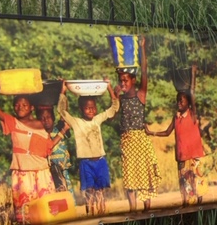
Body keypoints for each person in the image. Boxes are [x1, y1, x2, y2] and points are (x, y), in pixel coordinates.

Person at [0, 84, 69, 224]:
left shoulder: (41, 124)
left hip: (42, 173)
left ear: (32, 107)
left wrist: (62, 132)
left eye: (24, 105)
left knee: (47, 213)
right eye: (17, 105)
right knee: (25, 215)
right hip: (22, 174)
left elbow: (47, 147)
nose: (20, 107)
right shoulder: (13, 122)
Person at [57, 79, 119, 215]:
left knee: (100, 190)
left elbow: (114, 109)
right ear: (81, 109)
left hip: (100, 161)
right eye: (87, 107)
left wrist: (109, 88)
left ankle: (101, 213)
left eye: (93, 107)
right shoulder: (76, 122)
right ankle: (90, 214)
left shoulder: (97, 119)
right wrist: (63, 91)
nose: (91, 110)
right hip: (86, 163)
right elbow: (61, 111)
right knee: (89, 190)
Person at [146, 64, 205, 206]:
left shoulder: (192, 115)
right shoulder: (176, 117)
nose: (178, 103)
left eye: (182, 101)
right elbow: (167, 132)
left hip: (193, 155)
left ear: (188, 103)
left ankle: (200, 204)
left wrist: (193, 74)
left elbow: (192, 91)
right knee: (183, 182)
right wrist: (151, 132)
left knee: (196, 181)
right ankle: (185, 204)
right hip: (181, 156)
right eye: (177, 101)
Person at [117, 35, 162, 212]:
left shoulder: (140, 95)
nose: (123, 83)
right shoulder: (120, 98)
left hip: (140, 140)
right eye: (121, 80)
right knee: (129, 177)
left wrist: (142, 47)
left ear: (133, 81)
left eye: (126, 80)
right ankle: (133, 210)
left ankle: (147, 209)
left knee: (145, 176)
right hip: (127, 141)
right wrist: (113, 94)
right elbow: (114, 116)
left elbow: (144, 70)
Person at [35, 106, 74, 195]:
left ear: (53, 117)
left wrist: (63, 94)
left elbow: (65, 113)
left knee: (67, 196)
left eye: (48, 117)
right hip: (49, 173)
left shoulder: (60, 128)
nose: (46, 120)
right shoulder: (40, 135)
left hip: (63, 171)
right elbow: (48, 147)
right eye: (42, 118)